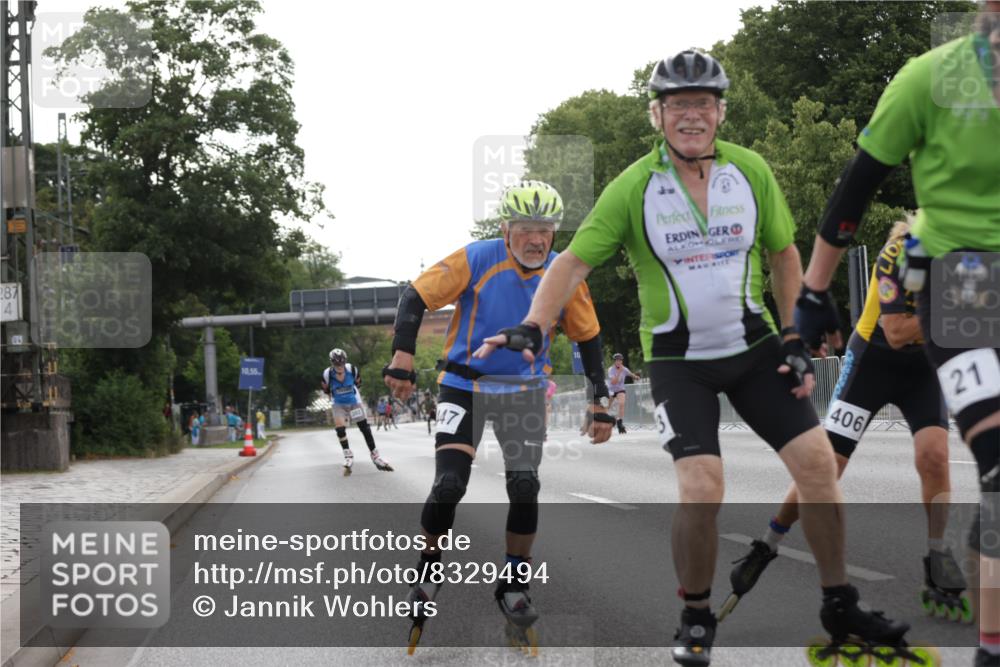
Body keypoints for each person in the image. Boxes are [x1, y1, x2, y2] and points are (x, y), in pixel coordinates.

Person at [479, 51, 912, 666]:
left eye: (702, 103)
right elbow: (571, 263)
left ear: (720, 111)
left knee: (819, 465)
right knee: (703, 486)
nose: (691, 115)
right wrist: (531, 325)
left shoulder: (751, 171)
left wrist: (793, 335)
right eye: (678, 104)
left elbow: (786, 256)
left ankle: (839, 602)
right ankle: (695, 614)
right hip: (681, 362)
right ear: (657, 114)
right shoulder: (633, 187)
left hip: (756, 347)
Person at [794, 7, 1000, 663]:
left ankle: (946, 547)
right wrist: (812, 292)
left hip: (932, 345)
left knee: (941, 461)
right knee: (832, 462)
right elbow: (855, 196)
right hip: (916, 321)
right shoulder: (927, 84)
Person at [383, 180, 614, 653]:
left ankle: (514, 583)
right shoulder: (478, 258)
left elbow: (589, 338)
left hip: (523, 392)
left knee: (525, 484)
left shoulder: (563, 272)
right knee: (450, 484)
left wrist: (599, 402)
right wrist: (403, 356)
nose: (536, 239)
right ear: (505, 229)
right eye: (526, 229)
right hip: (464, 386)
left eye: (545, 230)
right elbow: (414, 297)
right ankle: (428, 571)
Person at [724, 217, 967, 621]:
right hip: (872, 363)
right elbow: (896, 331)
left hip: (921, 370)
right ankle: (767, 542)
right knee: (826, 467)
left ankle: (939, 554)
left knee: (935, 457)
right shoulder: (897, 254)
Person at [321, 348, 393, 475]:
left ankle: (375, 456)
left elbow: (359, 383)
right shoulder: (327, 374)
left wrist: (348, 392)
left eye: (341, 363)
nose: (339, 367)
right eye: (336, 364)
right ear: (332, 363)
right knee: (340, 430)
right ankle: (348, 455)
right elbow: (326, 389)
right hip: (338, 404)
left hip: (354, 402)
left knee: (364, 428)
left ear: (345, 361)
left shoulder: (352, 370)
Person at [607, 353, 641, 434]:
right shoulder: (611, 370)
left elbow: (630, 374)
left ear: (622, 361)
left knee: (622, 403)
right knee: (606, 407)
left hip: (620, 390)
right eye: (617, 360)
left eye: (620, 360)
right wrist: (619, 372)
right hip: (611, 390)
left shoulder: (624, 369)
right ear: (614, 361)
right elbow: (613, 382)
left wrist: (636, 377)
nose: (618, 362)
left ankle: (620, 422)